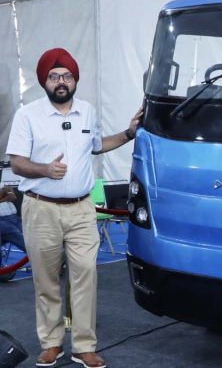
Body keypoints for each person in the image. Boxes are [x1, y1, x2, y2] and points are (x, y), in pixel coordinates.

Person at [6, 48, 142, 368]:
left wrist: (128, 133)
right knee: (46, 280)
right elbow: (17, 162)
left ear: (75, 79)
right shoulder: (28, 116)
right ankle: (51, 343)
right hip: (41, 210)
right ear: (44, 81)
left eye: (67, 75)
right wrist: (44, 170)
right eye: (54, 76)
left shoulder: (88, 112)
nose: (61, 81)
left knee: (85, 275)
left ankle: (84, 346)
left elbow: (98, 146)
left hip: (82, 210)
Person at [0, 184, 26, 252]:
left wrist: (3, 194)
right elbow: (6, 193)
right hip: (2, 222)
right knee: (29, 245)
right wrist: (4, 193)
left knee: (37, 238)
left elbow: (12, 197)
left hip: (15, 217)